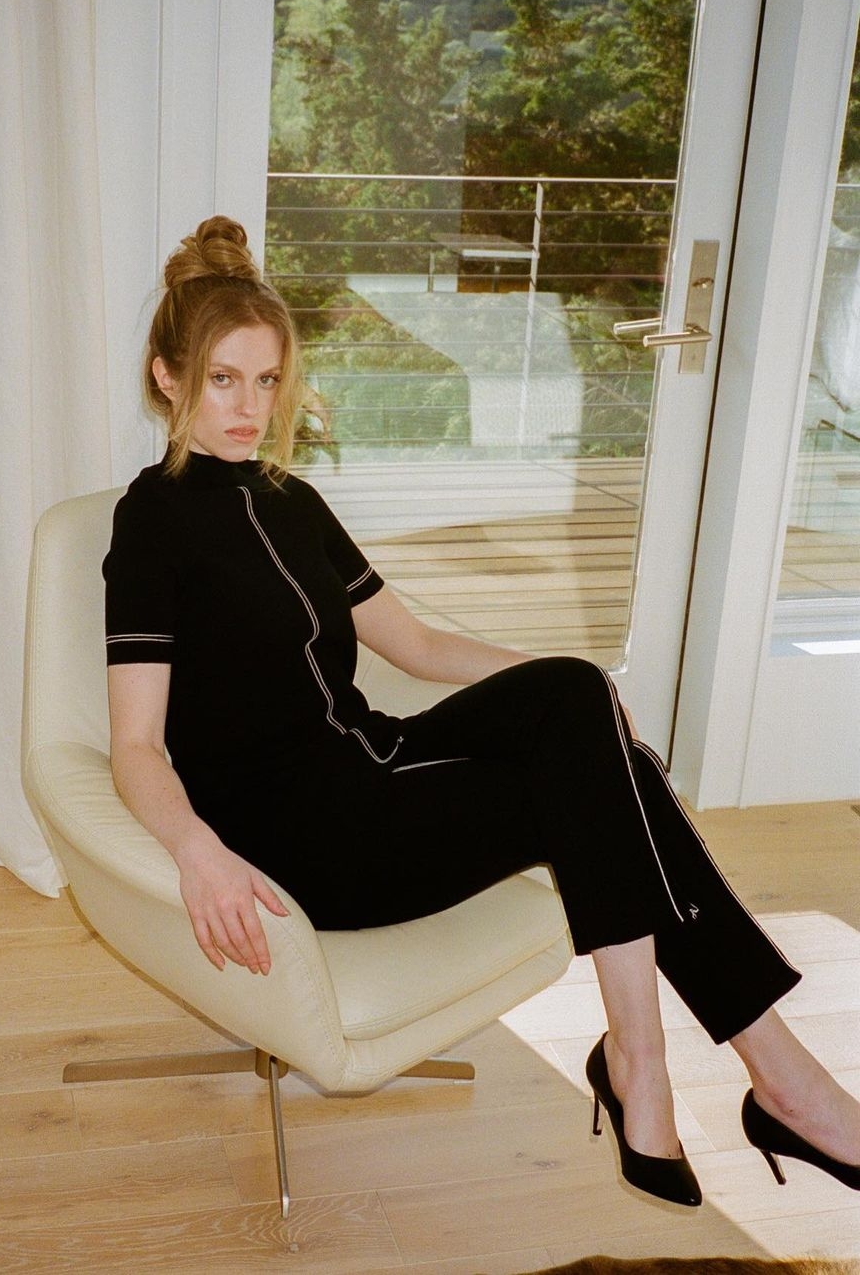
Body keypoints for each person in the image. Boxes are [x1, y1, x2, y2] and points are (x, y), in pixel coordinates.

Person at [103, 215, 860, 1207]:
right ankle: (748, 1082)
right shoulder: (151, 523)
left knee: (581, 701)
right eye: (223, 380)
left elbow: (416, 646)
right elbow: (135, 745)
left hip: (379, 765)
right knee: (612, 785)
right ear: (167, 378)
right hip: (307, 838)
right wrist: (198, 853)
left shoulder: (294, 503)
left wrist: (587, 697)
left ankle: (672, 1066)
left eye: (269, 379)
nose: (252, 407)